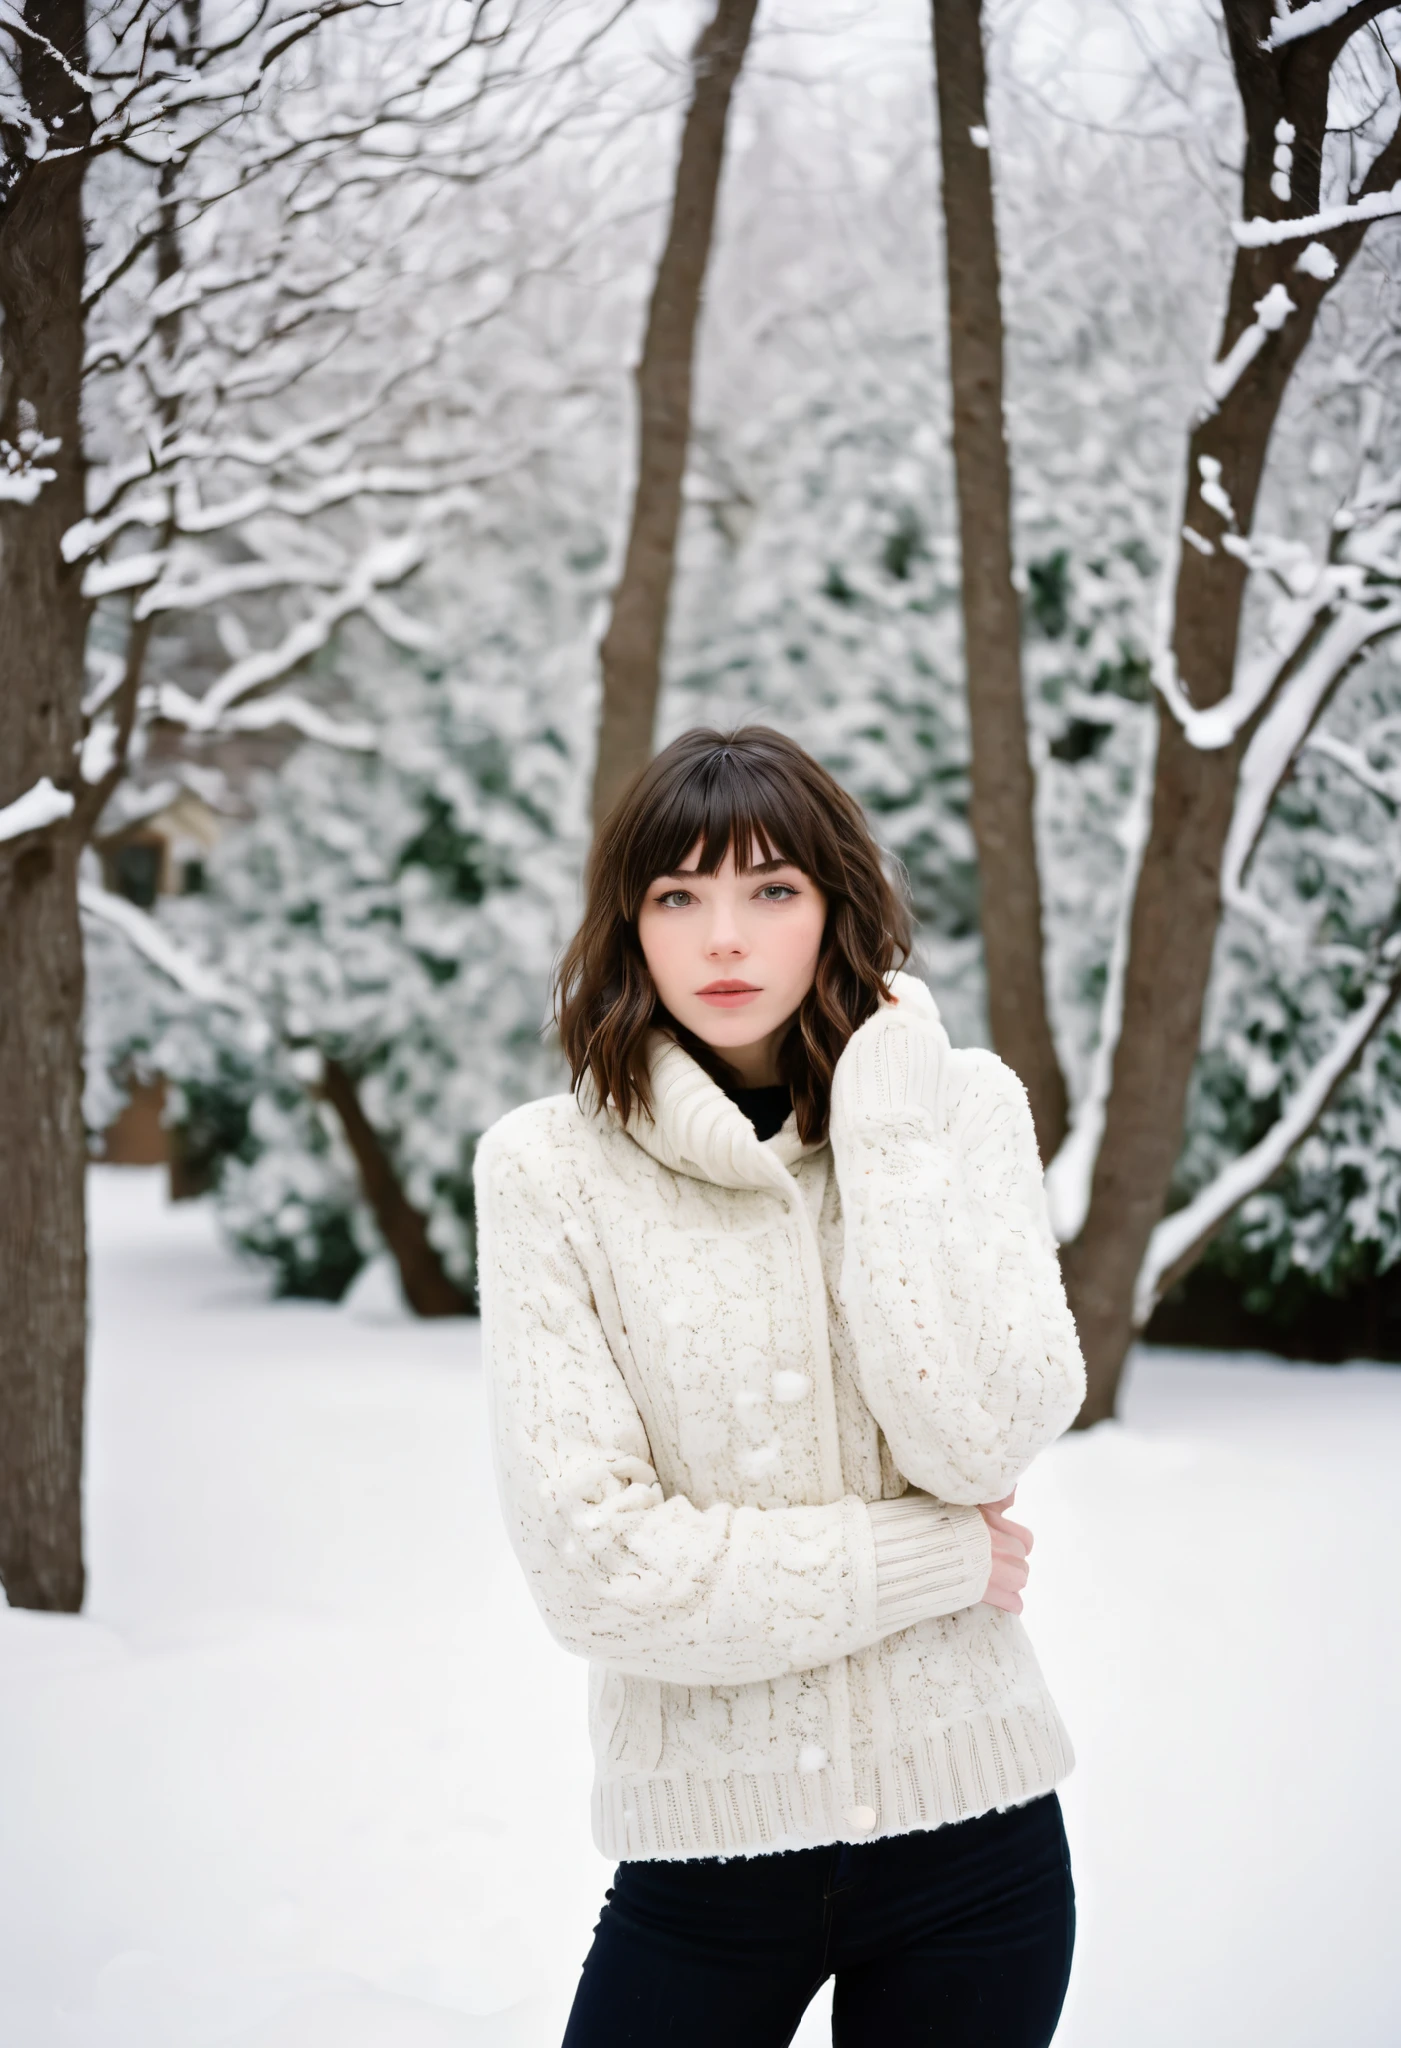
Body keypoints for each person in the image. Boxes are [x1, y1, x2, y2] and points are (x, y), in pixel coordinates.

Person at [473, 725, 1087, 2047]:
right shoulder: (547, 1173)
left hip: (978, 1855)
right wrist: (938, 1563)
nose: (724, 940)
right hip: (700, 1876)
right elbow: (602, 1571)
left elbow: (980, 1442)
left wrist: (882, 1136)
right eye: (677, 897)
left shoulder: (960, 1115)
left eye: (771, 890)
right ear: (628, 927)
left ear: (833, 906)